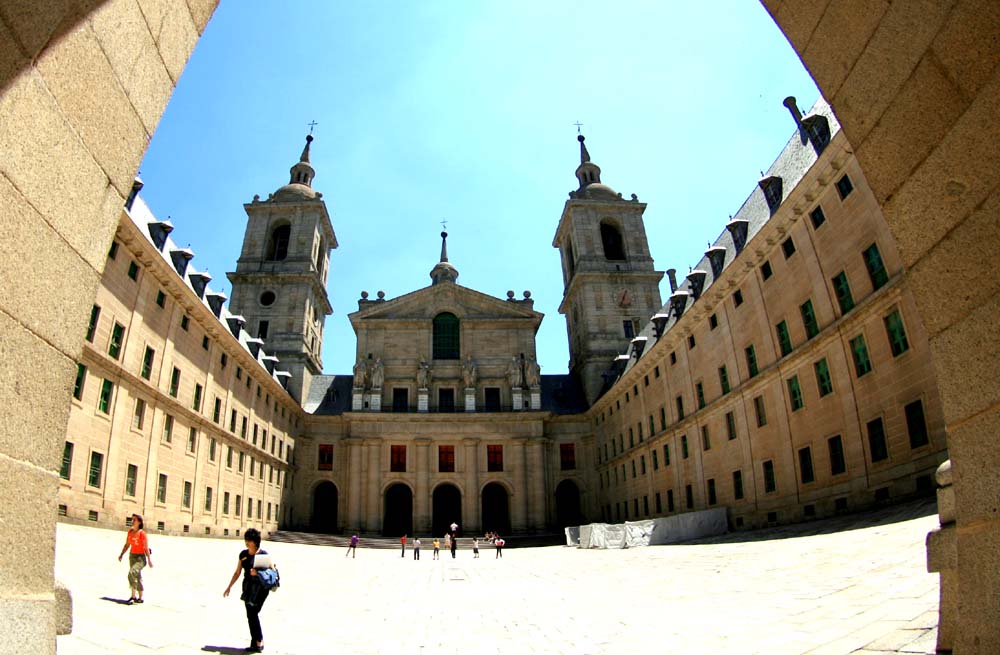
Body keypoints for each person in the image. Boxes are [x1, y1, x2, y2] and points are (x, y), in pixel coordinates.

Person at [223, 528, 271, 654]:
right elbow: (237, 572)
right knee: (250, 616)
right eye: (246, 540)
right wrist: (229, 586)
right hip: (248, 589)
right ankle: (255, 642)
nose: (246, 542)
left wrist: (258, 572)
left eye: (249, 540)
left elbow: (272, 571)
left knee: (253, 614)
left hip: (260, 590)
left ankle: (259, 640)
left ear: (255, 542)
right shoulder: (243, 555)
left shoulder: (263, 555)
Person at [117, 513, 153, 604]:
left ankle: (133, 596)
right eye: (132, 519)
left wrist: (149, 560)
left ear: (139, 522)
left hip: (140, 558)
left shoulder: (142, 534)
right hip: (132, 556)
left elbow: (145, 548)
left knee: (132, 573)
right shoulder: (130, 532)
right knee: (137, 576)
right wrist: (121, 554)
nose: (132, 521)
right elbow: (127, 545)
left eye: (134, 520)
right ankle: (140, 598)